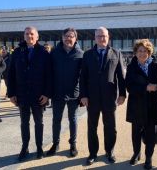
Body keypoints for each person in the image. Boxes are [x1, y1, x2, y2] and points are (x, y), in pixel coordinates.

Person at [80, 27, 126, 165]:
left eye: (104, 36)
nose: (102, 38)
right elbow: (83, 77)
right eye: (99, 36)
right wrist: (83, 95)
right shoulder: (87, 54)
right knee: (92, 127)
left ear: (108, 37)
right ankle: (92, 153)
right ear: (95, 38)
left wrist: (122, 94)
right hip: (92, 97)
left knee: (110, 126)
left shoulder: (116, 53)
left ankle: (109, 151)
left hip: (109, 97)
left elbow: (121, 77)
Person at [7, 26, 52, 161]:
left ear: (37, 37)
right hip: (22, 95)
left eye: (32, 34)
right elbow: (11, 74)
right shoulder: (16, 52)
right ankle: (25, 147)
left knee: (39, 123)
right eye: (27, 34)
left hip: (39, 96)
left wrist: (47, 94)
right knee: (24, 122)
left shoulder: (44, 53)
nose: (29, 36)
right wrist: (11, 93)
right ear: (24, 36)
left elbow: (49, 76)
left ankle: (39, 147)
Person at [125, 39, 157, 169]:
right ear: (136, 52)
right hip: (136, 105)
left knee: (151, 134)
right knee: (135, 132)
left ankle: (148, 157)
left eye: (145, 51)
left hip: (152, 105)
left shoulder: (155, 65)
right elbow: (129, 87)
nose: (142, 53)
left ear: (149, 52)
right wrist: (146, 88)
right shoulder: (131, 67)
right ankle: (136, 153)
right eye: (140, 51)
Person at [46, 28, 83, 157]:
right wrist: (48, 92)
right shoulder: (54, 53)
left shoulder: (80, 54)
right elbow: (49, 74)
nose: (68, 38)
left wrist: (83, 94)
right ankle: (55, 144)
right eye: (66, 36)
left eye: (71, 36)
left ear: (75, 39)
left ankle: (73, 144)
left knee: (73, 120)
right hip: (58, 93)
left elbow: (84, 76)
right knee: (56, 119)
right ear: (62, 37)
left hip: (74, 94)